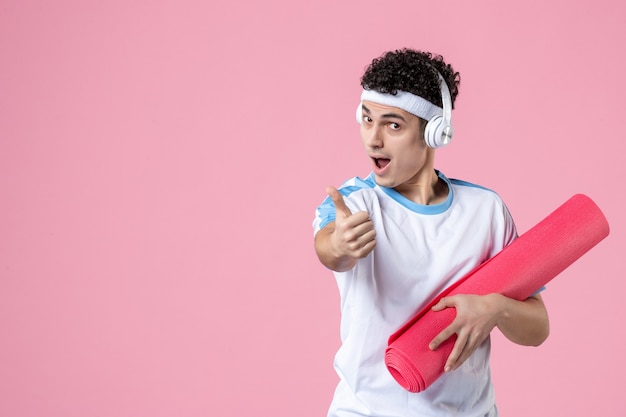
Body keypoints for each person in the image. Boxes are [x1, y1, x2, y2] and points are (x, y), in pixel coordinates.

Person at [312, 48, 550, 417]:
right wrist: (340, 244)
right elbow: (329, 248)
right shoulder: (355, 204)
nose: (373, 139)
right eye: (366, 119)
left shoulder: (486, 211)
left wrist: (495, 309)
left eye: (392, 125)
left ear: (435, 132)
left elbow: (537, 329)